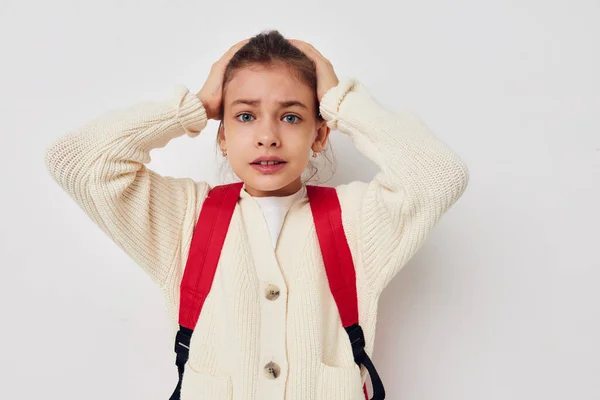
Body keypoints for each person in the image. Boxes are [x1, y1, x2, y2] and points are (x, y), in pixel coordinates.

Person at [45, 30, 469, 400]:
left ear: (319, 134)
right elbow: (77, 162)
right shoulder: (186, 219)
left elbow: (438, 175)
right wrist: (193, 107)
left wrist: (342, 102)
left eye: (291, 116)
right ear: (223, 134)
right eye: (245, 116)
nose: (267, 136)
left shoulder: (356, 220)